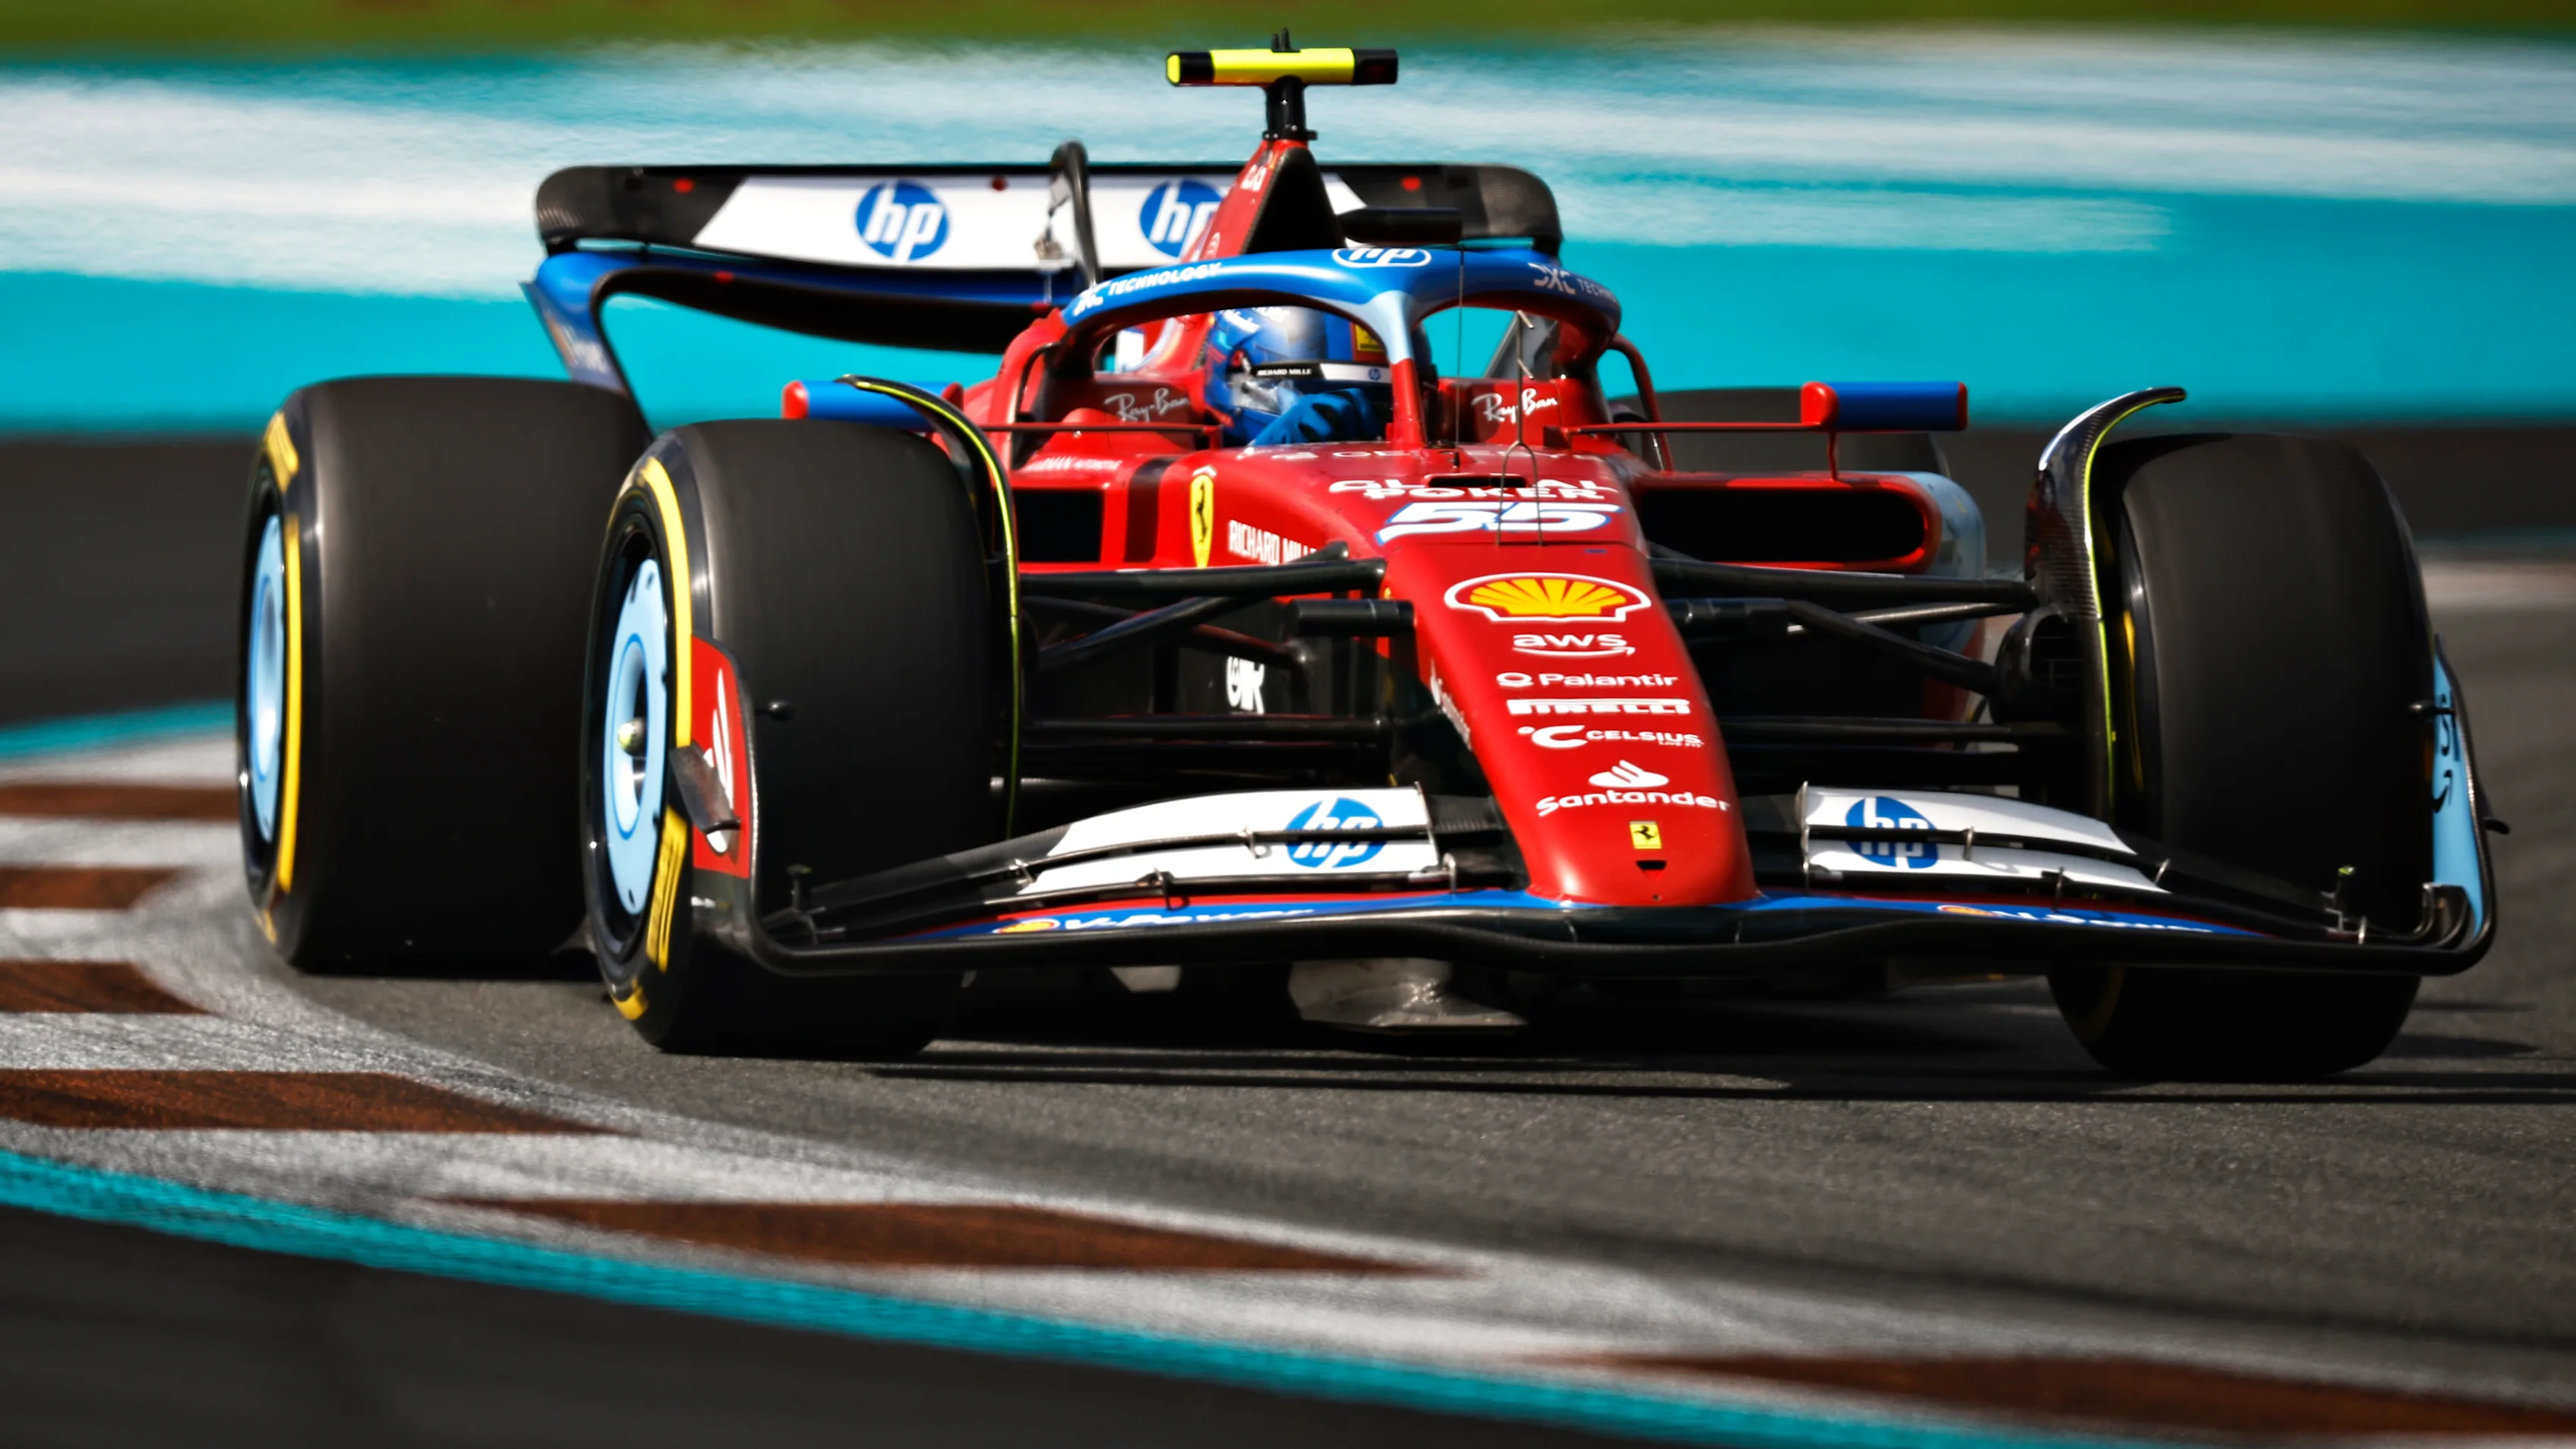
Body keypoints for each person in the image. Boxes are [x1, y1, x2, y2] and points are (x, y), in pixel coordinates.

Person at [1203, 306, 1396, 447]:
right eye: (1327, 399)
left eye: (1380, 400)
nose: (1350, 415)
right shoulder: (1177, 429)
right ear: (1240, 369)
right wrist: (1260, 455)